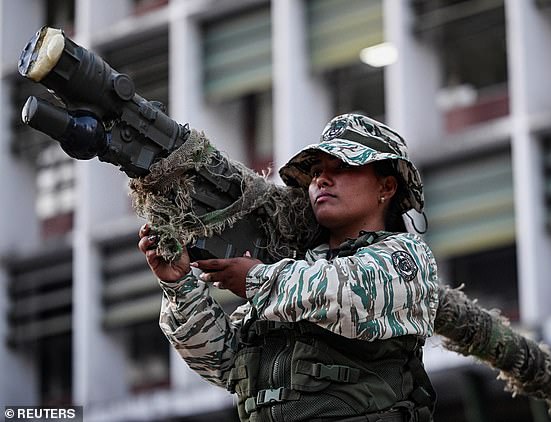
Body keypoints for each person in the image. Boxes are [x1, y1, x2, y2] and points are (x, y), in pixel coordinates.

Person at [138, 113, 439, 422]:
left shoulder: (405, 257)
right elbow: (224, 363)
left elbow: (349, 293)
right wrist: (180, 287)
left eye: (343, 167)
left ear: (387, 187)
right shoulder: (291, 271)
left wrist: (256, 279)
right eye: (317, 171)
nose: (321, 179)